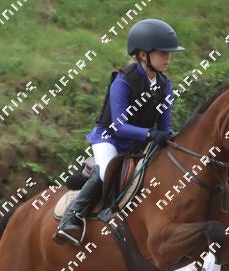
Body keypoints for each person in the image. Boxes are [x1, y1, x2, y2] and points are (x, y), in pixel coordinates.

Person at [53, 18, 184, 246]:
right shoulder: (123, 81)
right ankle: (71, 217)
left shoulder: (165, 85)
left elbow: (165, 127)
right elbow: (119, 126)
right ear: (143, 55)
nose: (167, 58)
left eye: (168, 53)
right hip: (109, 138)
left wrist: (171, 139)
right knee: (106, 171)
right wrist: (150, 134)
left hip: (139, 144)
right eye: (162, 53)